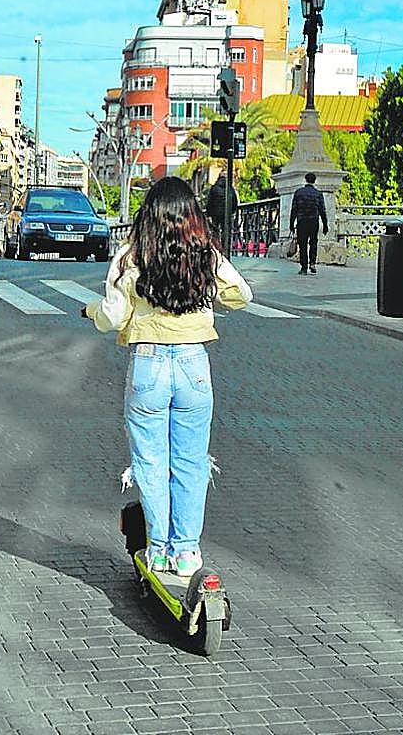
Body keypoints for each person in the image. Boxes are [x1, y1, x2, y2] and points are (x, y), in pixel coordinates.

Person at [84, 176, 252, 577]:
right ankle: (188, 551)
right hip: (194, 367)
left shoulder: (131, 256)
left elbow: (113, 317)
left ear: (148, 215)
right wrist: (208, 294)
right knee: (192, 462)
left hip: (149, 367)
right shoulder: (204, 253)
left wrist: (91, 311)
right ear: (192, 217)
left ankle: (158, 550)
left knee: (151, 461)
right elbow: (241, 295)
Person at [290, 172, 329, 275]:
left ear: (305, 180)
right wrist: (325, 224)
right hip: (313, 221)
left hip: (302, 221)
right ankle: (312, 263)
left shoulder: (298, 193)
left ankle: (304, 267)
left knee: (302, 245)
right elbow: (322, 210)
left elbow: (294, 209)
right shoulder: (318, 194)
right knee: (313, 242)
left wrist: (291, 223)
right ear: (314, 181)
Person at [204, 174, 238, 240]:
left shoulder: (214, 188)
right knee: (226, 230)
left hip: (215, 214)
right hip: (226, 213)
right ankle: (224, 245)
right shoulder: (230, 188)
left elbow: (210, 201)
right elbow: (234, 201)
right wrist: (232, 211)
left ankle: (216, 244)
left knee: (214, 230)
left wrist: (209, 213)